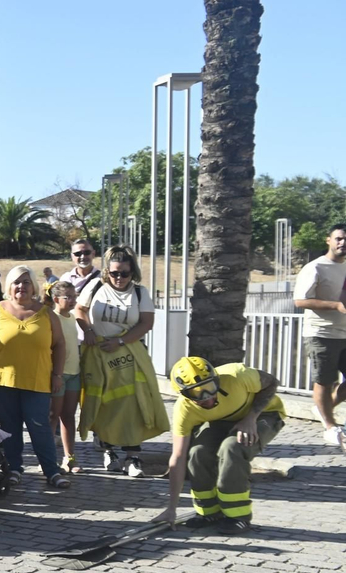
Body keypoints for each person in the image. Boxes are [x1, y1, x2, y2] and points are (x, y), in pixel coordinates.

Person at [157, 357, 284, 532]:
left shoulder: (237, 376)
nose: (206, 397)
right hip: (221, 421)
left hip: (263, 415)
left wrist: (251, 418)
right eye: (195, 393)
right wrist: (171, 509)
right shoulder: (184, 409)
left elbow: (272, 382)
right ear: (183, 394)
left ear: (217, 380)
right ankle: (208, 512)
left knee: (232, 448)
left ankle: (238, 517)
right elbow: (178, 456)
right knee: (197, 452)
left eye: (210, 388)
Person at [0, 264, 71, 490]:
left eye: (26, 282)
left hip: (37, 380)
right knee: (9, 427)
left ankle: (51, 471)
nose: (21, 286)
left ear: (34, 286)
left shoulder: (46, 313)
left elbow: (59, 344)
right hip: (3, 380)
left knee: (40, 427)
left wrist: (57, 374)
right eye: (17, 282)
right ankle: (14, 469)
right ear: (9, 286)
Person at [75, 245, 166, 476]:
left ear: (132, 272)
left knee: (133, 404)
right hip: (98, 353)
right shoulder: (96, 286)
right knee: (102, 402)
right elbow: (80, 309)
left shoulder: (140, 293)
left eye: (124, 273)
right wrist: (88, 331)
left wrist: (121, 341)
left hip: (129, 353)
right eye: (114, 273)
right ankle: (109, 451)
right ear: (108, 271)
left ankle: (133, 456)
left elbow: (146, 323)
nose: (119, 278)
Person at [292, 222, 346, 453]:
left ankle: (324, 408)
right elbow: (300, 300)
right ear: (329, 240)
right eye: (339, 238)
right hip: (321, 333)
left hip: (344, 333)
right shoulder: (315, 267)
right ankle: (330, 427)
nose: (343, 243)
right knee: (324, 380)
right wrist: (335, 305)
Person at [46, 280, 83, 473]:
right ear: (56, 299)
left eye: (74, 297)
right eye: (67, 297)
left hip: (74, 373)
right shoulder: (51, 318)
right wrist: (55, 374)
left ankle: (69, 458)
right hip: (58, 375)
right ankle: (48, 459)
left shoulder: (72, 318)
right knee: (53, 416)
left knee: (68, 416)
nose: (72, 300)